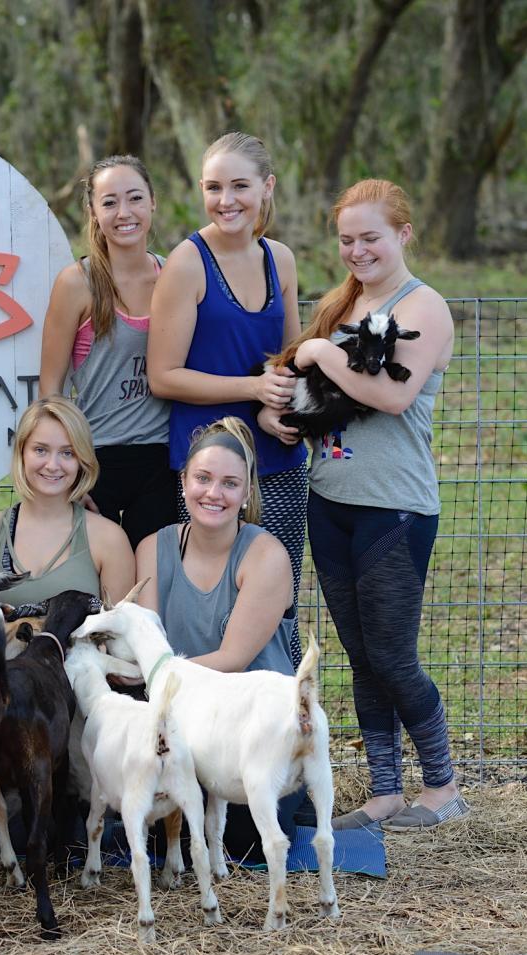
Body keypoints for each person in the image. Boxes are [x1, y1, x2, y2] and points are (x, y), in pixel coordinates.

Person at [273, 179, 466, 831]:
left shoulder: (426, 305)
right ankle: (385, 790)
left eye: (371, 237)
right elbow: (310, 390)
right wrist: (282, 412)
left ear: (404, 234)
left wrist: (322, 350)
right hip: (329, 502)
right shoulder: (344, 302)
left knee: (393, 655)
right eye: (347, 239)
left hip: (396, 508)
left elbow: (393, 397)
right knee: (359, 653)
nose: (358, 250)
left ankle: (442, 785)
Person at [146, 131, 306, 662]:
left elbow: (289, 358)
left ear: (267, 187)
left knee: (276, 603)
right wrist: (251, 388)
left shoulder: (279, 259)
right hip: (209, 463)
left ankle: (283, 718)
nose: (226, 199)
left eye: (240, 185)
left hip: (276, 460)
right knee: (209, 602)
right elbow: (164, 375)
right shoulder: (187, 263)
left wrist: (282, 406)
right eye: (214, 187)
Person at [134, 415, 301, 857]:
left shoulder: (266, 556)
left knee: (243, 843)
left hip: (252, 730)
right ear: (184, 480)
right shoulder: (152, 549)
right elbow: (147, 647)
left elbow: (232, 658)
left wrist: (159, 673)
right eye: (203, 478)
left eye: (230, 483)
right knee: (160, 836)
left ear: (248, 492)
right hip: (185, 726)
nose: (214, 493)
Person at [39, 155, 174, 549]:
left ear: (152, 202)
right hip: (97, 461)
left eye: (134, 198)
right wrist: (67, 467)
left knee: (148, 588)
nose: (124, 213)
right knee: (96, 591)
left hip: (164, 459)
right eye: (110, 202)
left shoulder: (176, 275)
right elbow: (51, 390)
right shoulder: (76, 283)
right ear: (94, 212)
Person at [0, 397, 133, 607]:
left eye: (67, 453)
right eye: (40, 450)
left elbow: (119, 633)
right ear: (21, 453)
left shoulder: (110, 540)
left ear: (82, 460)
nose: (53, 465)